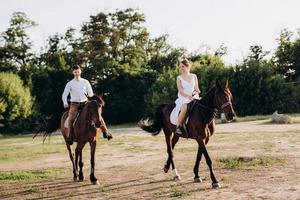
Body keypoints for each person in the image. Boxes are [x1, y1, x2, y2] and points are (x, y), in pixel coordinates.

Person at [62, 65, 112, 145]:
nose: (77, 73)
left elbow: (91, 94)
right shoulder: (69, 84)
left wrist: (93, 100)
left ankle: (105, 132)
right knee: (71, 118)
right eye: (75, 72)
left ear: (80, 72)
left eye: (78, 72)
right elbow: (64, 95)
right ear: (73, 72)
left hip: (85, 103)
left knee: (98, 115)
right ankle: (70, 137)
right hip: (74, 104)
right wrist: (65, 103)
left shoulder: (85, 82)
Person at [170, 59, 201, 135]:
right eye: (180, 67)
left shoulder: (194, 76)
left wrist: (198, 92)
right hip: (183, 98)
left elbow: (196, 88)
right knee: (184, 108)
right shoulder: (179, 78)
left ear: (188, 66)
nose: (181, 68)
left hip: (194, 97)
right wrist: (188, 96)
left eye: (183, 66)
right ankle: (178, 127)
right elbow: (180, 91)